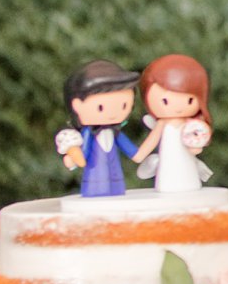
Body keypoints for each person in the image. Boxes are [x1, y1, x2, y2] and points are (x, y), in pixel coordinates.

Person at [55, 59, 141, 196]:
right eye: (100, 108)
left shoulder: (116, 133)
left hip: (117, 180)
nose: (112, 114)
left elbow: (135, 153)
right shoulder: (89, 133)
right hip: (94, 181)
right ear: (77, 105)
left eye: (124, 105)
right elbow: (82, 156)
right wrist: (73, 158)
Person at [133, 53, 213, 194]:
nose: (178, 107)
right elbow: (153, 139)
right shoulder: (162, 124)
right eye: (165, 101)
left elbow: (198, 143)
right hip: (168, 165)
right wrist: (140, 154)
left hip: (187, 164)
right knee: (168, 177)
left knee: (188, 175)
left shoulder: (192, 124)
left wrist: (196, 148)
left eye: (190, 100)